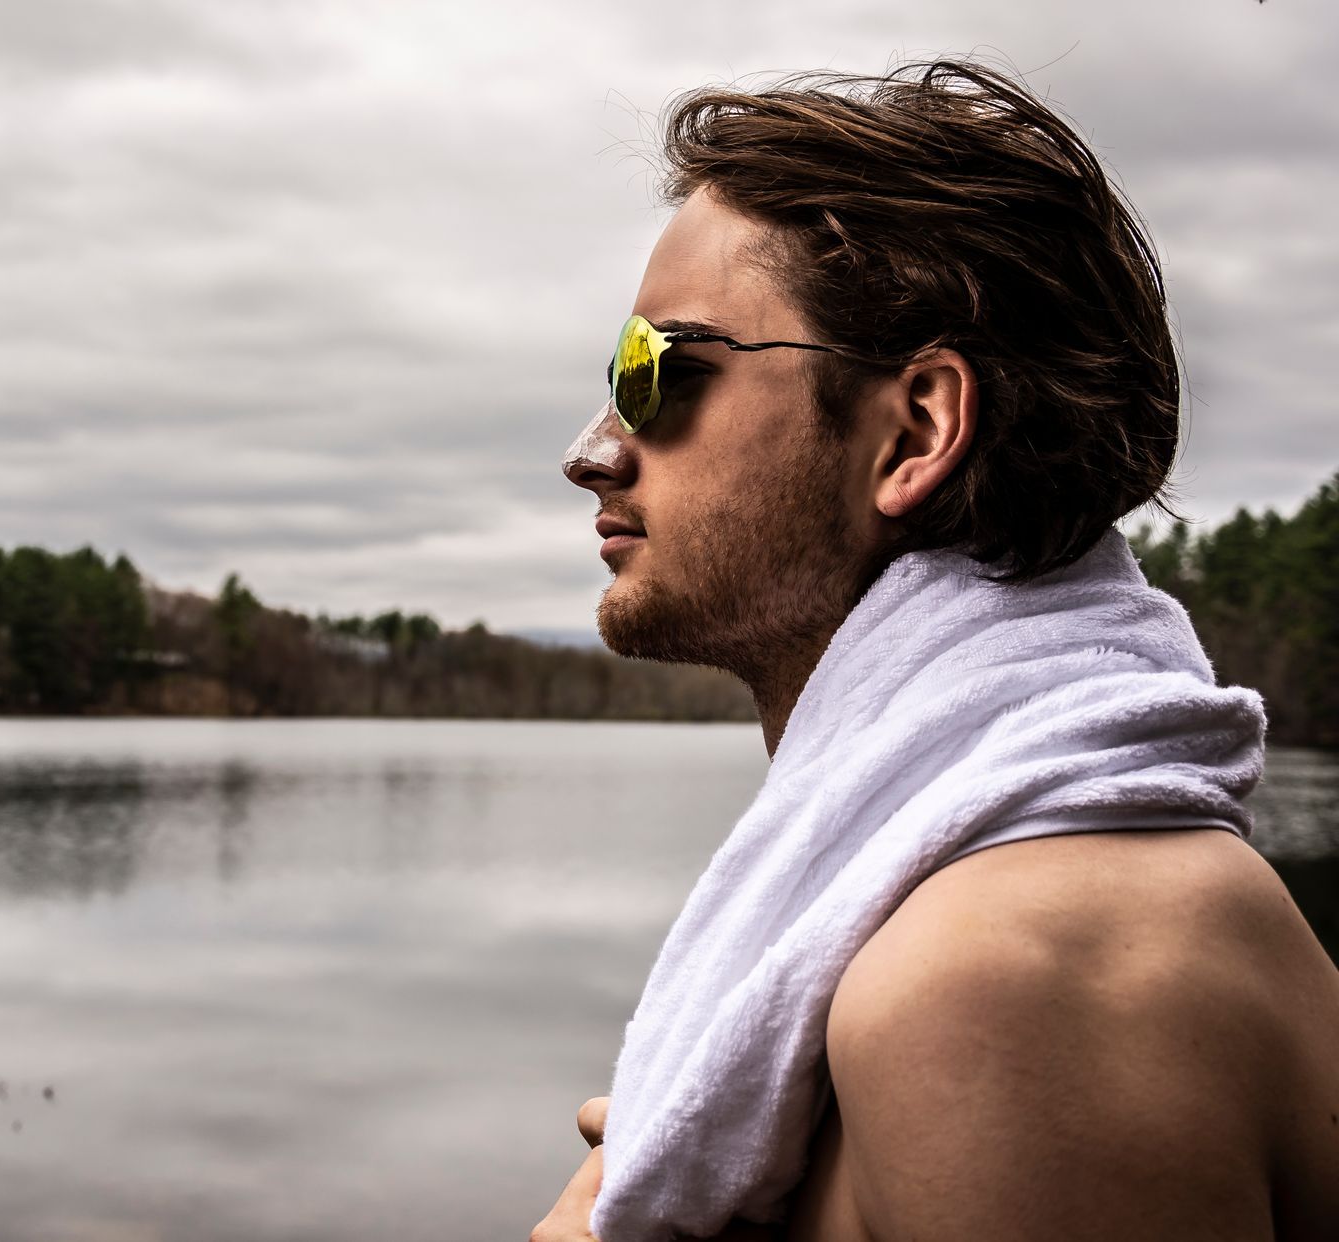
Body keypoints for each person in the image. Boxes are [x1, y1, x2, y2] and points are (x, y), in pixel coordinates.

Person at [543, 59, 1339, 1241]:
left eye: (662, 373)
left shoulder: (1006, 986)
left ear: (916, 427)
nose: (595, 449)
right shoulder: (1035, 918)